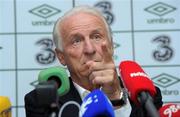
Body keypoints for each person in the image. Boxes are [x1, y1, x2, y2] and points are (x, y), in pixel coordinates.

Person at [25, 5, 163, 117]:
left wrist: (116, 98)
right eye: (76, 41)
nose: (89, 49)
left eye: (96, 37)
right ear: (61, 56)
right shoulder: (42, 101)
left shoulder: (145, 96)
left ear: (111, 45)